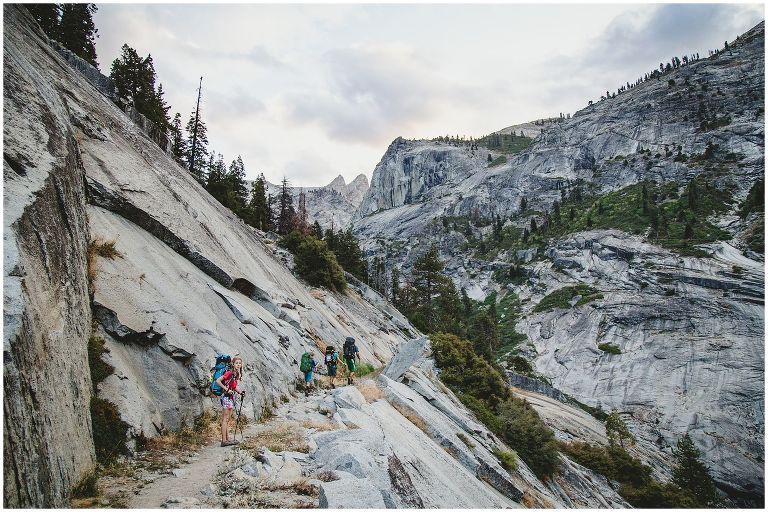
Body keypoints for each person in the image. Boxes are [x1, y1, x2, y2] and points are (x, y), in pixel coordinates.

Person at [216, 355, 245, 447]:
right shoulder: (229, 373)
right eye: (237, 363)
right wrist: (226, 389)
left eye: (240, 363)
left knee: (227, 419)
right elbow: (218, 381)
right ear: (233, 364)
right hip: (226, 397)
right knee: (225, 419)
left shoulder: (236, 374)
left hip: (230, 397)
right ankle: (224, 440)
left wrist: (239, 392)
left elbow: (233, 386)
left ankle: (227, 439)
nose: (238, 365)